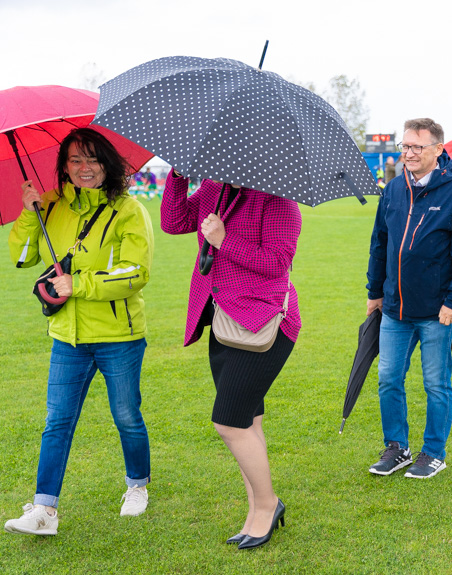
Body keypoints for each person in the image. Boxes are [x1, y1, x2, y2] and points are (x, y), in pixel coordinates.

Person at [5, 128, 154, 536]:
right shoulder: (49, 205)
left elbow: (135, 273)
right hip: (66, 337)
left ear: (108, 163)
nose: (84, 168)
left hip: (118, 337)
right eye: (75, 160)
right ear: (64, 166)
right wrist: (27, 213)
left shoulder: (128, 209)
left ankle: (137, 486)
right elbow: (22, 257)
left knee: (126, 416)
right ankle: (44, 510)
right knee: (58, 420)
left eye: (92, 159)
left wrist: (81, 283)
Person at [160, 170, 301, 550]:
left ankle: (268, 505)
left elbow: (277, 263)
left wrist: (224, 240)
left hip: (264, 324)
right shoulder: (213, 188)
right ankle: (257, 507)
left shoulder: (278, 201)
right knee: (247, 420)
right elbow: (173, 222)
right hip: (223, 320)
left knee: (229, 423)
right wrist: (177, 177)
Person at [365, 118, 452, 479]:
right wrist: (374, 292)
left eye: (417, 147)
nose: (409, 153)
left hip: (436, 311)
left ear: (437, 150)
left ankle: (434, 452)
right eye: (405, 146)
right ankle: (397, 447)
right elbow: (379, 243)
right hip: (394, 309)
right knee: (388, 379)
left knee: (435, 383)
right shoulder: (395, 189)